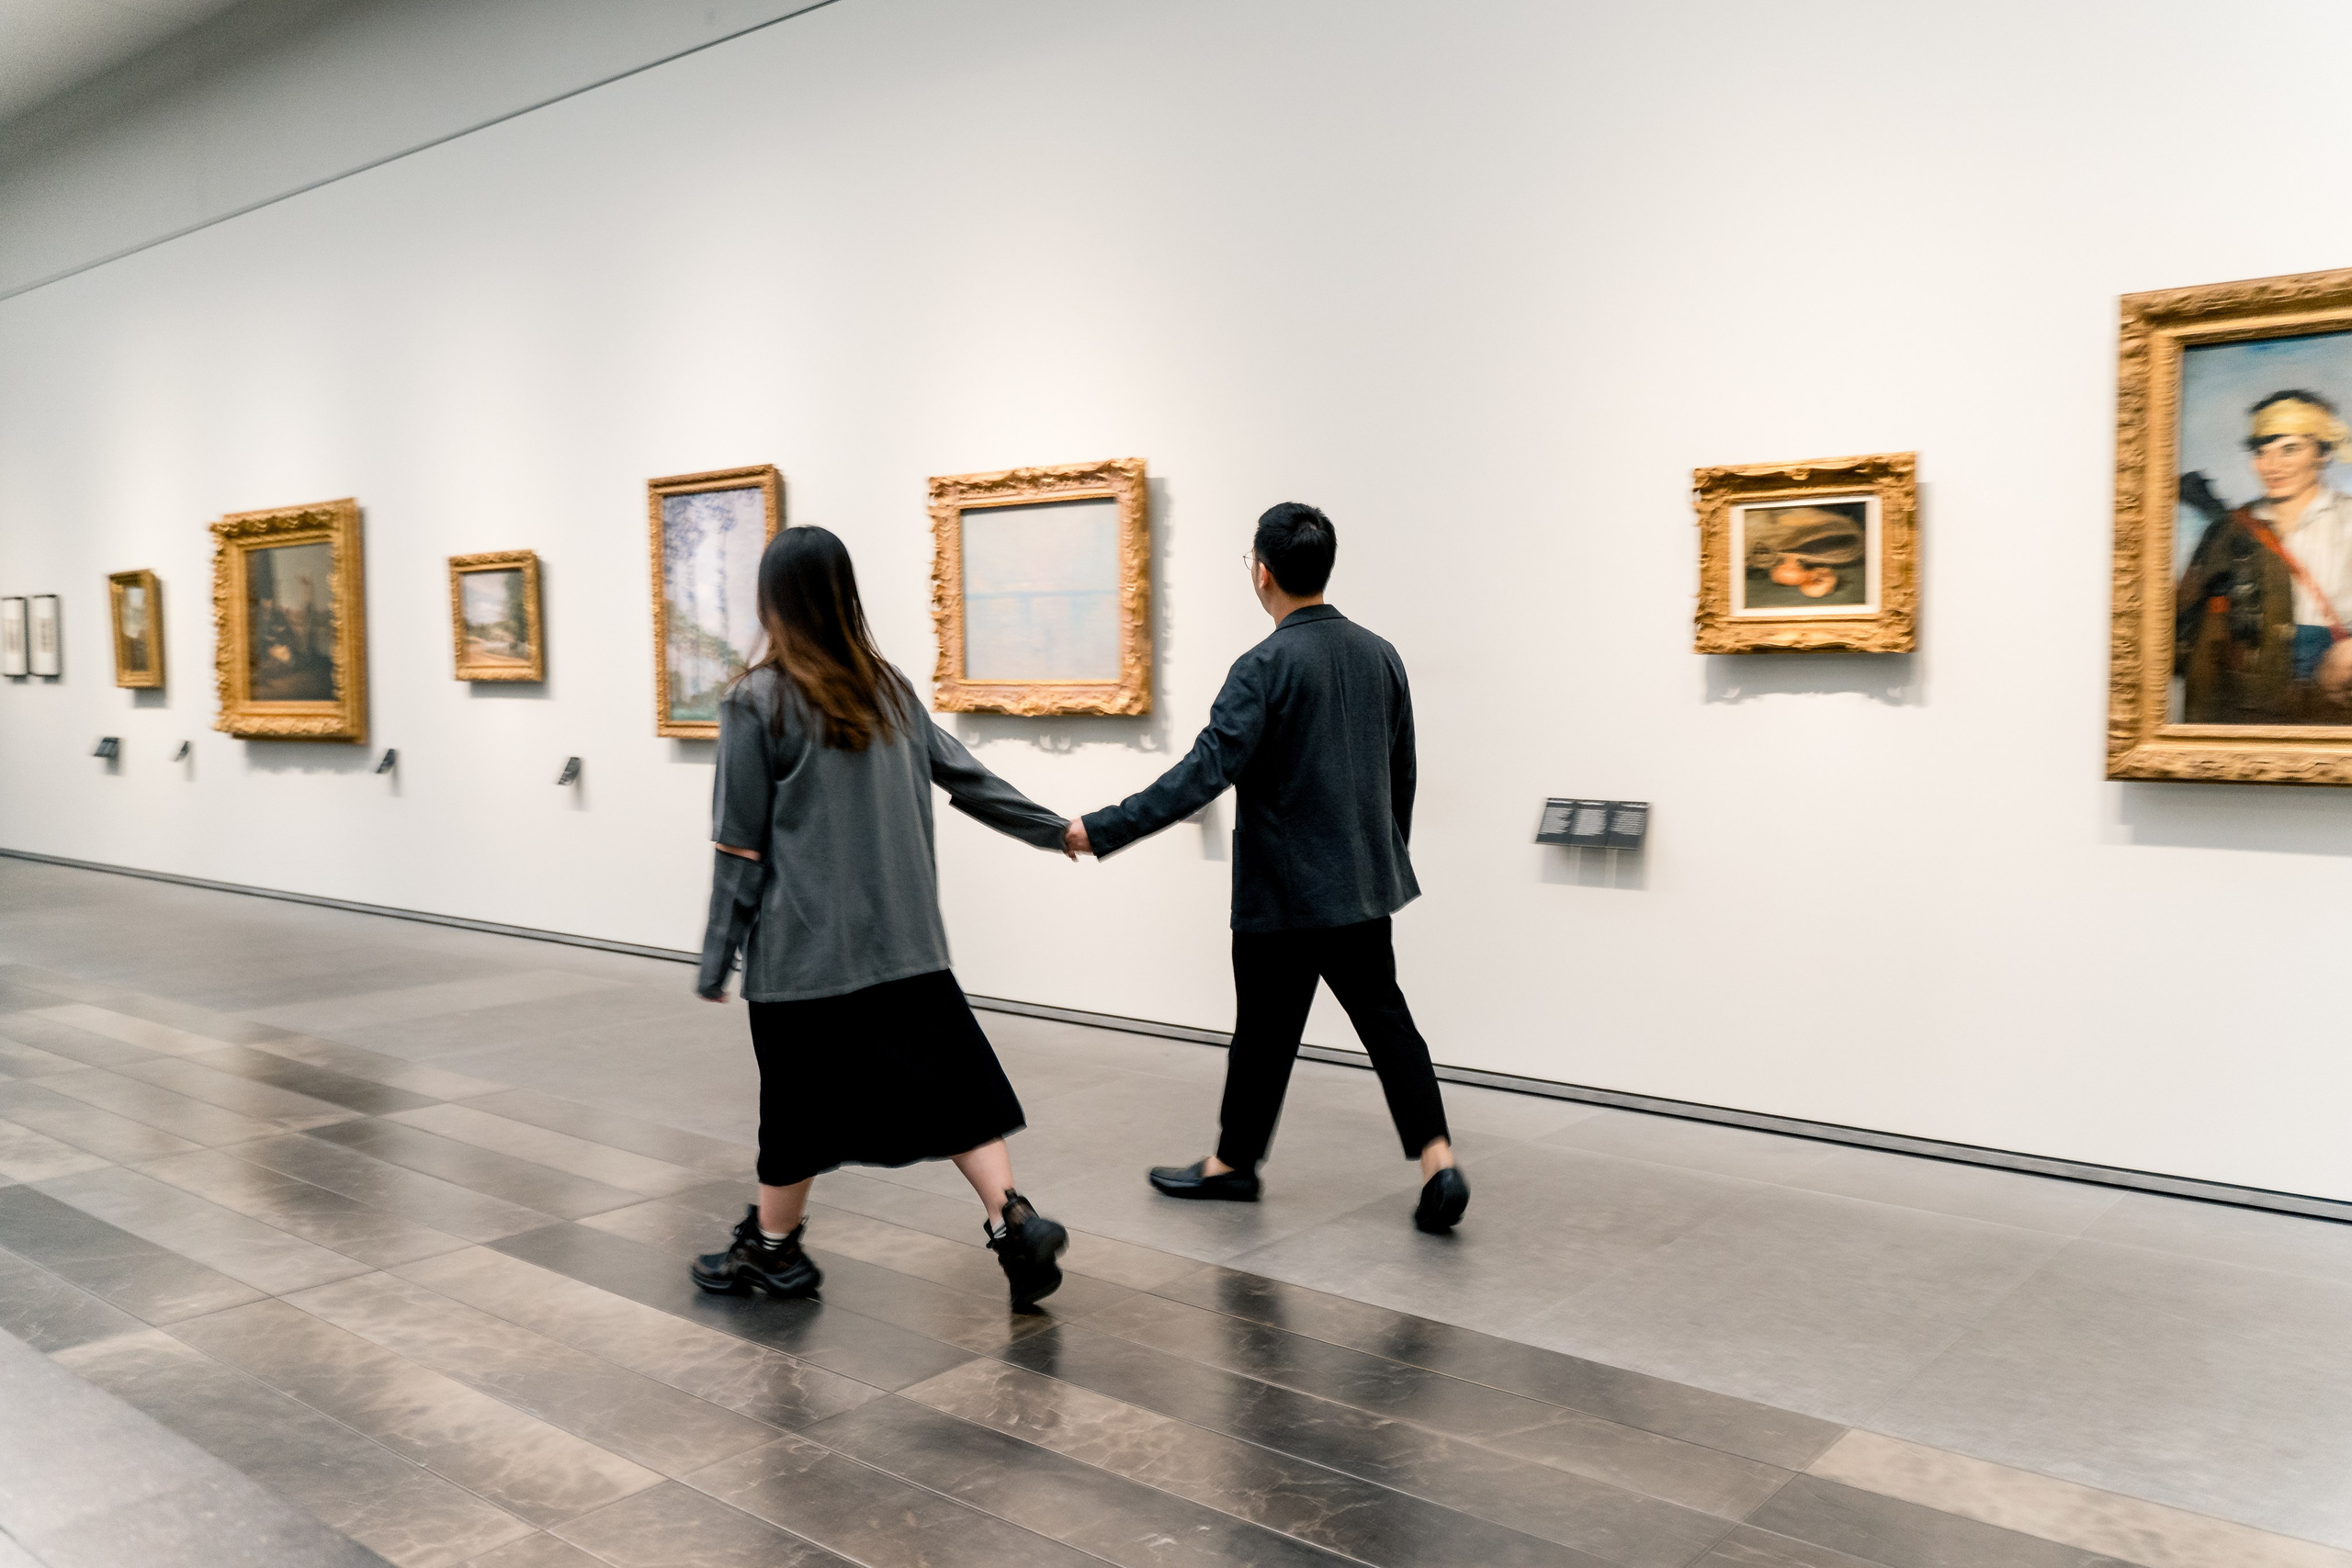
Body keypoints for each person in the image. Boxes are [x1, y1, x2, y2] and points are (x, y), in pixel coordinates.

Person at [691, 525, 1073, 1310]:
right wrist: (1056, 829)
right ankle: (1013, 1219)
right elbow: (969, 777)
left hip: (804, 956)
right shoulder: (889, 688)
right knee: (956, 1094)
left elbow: (739, 846)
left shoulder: (755, 700)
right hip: (907, 948)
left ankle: (772, 1252)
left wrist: (717, 955)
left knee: (793, 1112)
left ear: (772, 600)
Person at [1066, 502, 1468, 1234]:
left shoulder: (1263, 666)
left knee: (1262, 1032)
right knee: (1388, 1024)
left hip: (1282, 894)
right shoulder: (1380, 654)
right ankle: (1438, 1162)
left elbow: (1201, 774)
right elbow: (1401, 772)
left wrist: (1103, 828)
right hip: (1358, 886)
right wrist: (1381, 859)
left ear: (1262, 572)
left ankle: (1233, 1165)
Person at [2177, 389, 2352, 722]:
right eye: (2261, 452)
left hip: (2339, 691)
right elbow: (2184, 623)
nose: (2272, 466)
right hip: (2247, 694)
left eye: (2290, 449)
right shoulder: (2229, 529)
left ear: (2323, 453)